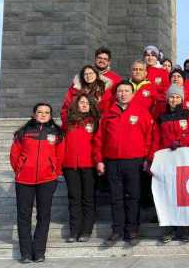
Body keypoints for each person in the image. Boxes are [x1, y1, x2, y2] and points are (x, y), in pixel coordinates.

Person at [93, 80, 155, 246]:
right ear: (116, 94)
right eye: (120, 91)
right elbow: (99, 139)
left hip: (134, 162)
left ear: (132, 93)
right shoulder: (108, 114)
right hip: (112, 162)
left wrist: (147, 158)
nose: (123, 94)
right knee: (116, 198)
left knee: (134, 197)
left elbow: (150, 136)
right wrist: (99, 160)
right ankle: (117, 230)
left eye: (127, 91)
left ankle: (132, 230)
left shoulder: (141, 112)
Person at [10, 103, 65, 263]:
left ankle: (39, 252)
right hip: (24, 180)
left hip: (47, 180)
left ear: (50, 115)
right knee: (24, 216)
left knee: (44, 215)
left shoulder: (57, 133)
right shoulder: (23, 132)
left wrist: (55, 171)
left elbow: (61, 155)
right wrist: (20, 169)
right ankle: (26, 253)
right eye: (39, 112)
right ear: (33, 114)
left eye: (46, 112)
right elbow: (14, 155)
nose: (43, 114)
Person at [151, 85, 189, 243]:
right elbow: (156, 139)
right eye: (171, 97)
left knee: (184, 195)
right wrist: (151, 158)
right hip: (167, 162)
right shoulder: (162, 117)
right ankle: (169, 229)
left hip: (185, 162)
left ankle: (185, 230)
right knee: (168, 195)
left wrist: (181, 141)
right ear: (168, 99)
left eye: (177, 97)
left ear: (182, 99)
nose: (174, 100)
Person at [61, 95, 99, 243]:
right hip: (70, 165)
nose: (84, 105)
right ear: (76, 105)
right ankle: (74, 231)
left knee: (88, 199)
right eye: (81, 102)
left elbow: (98, 142)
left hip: (89, 165)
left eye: (87, 103)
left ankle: (86, 231)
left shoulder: (95, 122)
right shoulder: (67, 123)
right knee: (74, 199)